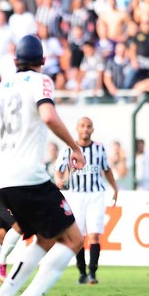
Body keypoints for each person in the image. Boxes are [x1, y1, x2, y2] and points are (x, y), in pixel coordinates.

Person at [0, 35, 86, 296]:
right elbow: (47, 115)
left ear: (14, 60)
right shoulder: (41, 82)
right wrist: (74, 146)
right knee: (73, 240)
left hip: (3, 180)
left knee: (48, 238)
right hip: (29, 177)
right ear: (43, 61)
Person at [55, 117, 119, 285]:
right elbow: (58, 170)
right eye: (82, 126)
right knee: (79, 236)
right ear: (77, 128)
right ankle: (82, 272)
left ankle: (92, 273)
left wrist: (115, 188)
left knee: (95, 235)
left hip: (96, 194)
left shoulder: (99, 148)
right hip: (76, 195)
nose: (85, 129)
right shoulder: (68, 149)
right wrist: (59, 180)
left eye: (88, 126)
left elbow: (107, 169)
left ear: (92, 129)